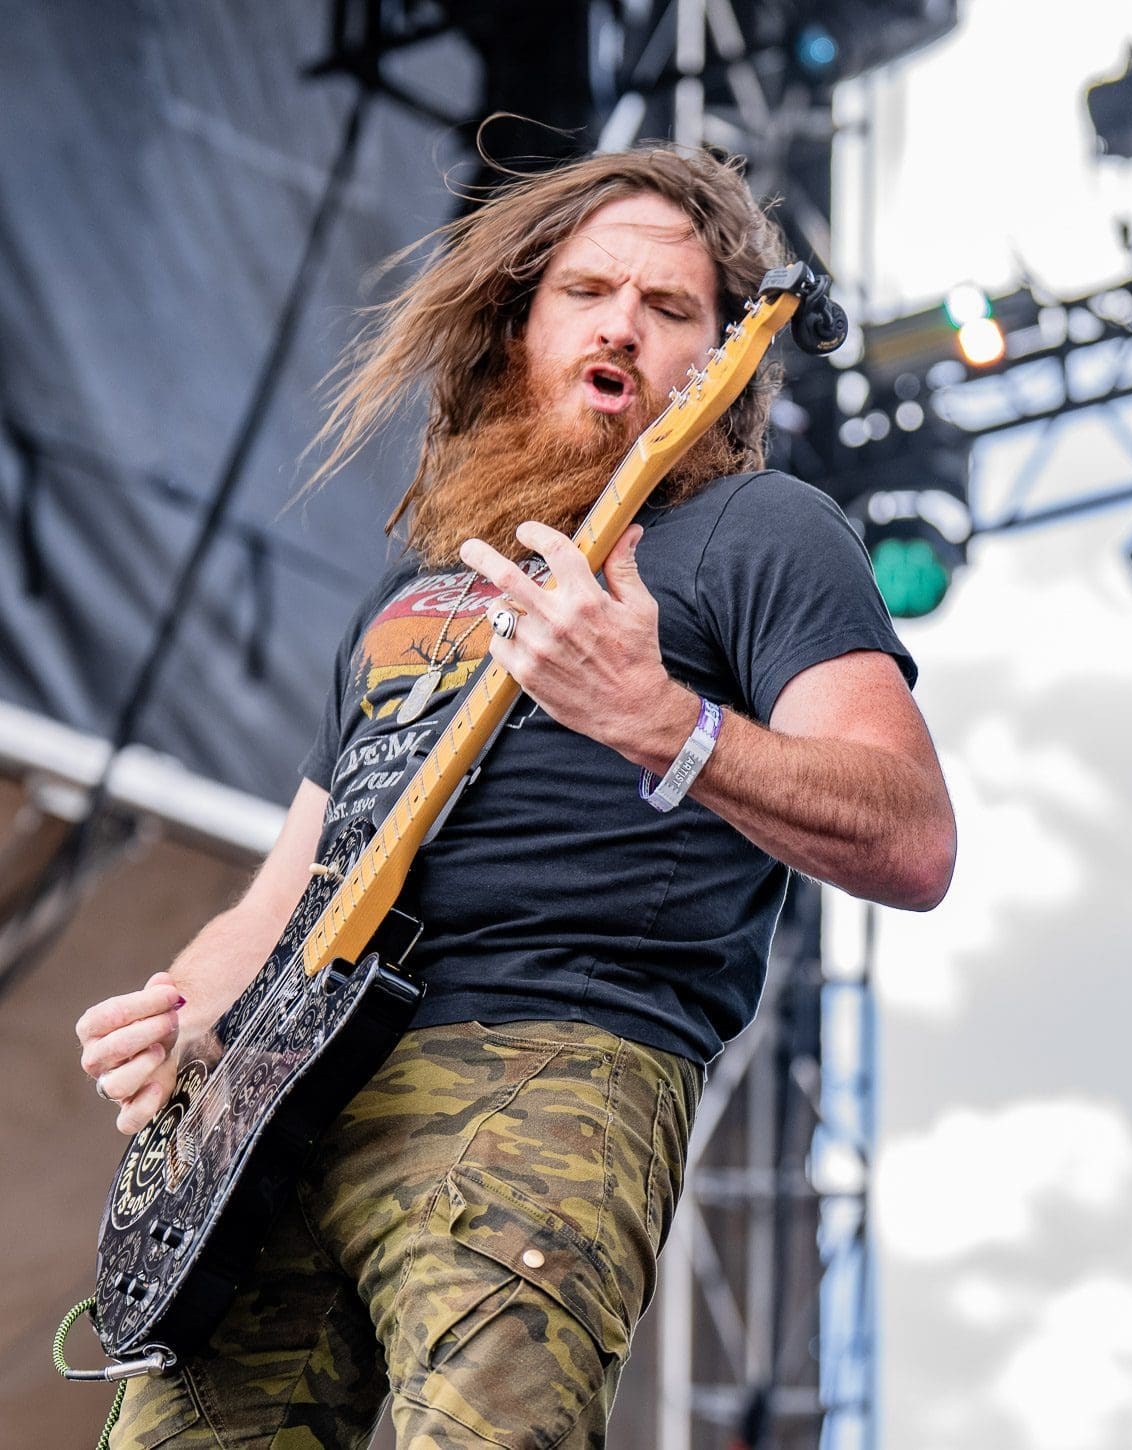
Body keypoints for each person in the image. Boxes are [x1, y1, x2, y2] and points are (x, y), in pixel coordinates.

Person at [76, 145, 956, 1449]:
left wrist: (664, 720)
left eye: (672, 310)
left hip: (547, 1058)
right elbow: (288, 886)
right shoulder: (414, 593)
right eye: (590, 289)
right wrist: (181, 1020)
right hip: (275, 1099)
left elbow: (912, 830)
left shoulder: (765, 528)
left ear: (718, 364)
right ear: (518, 326)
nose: (622, 323)